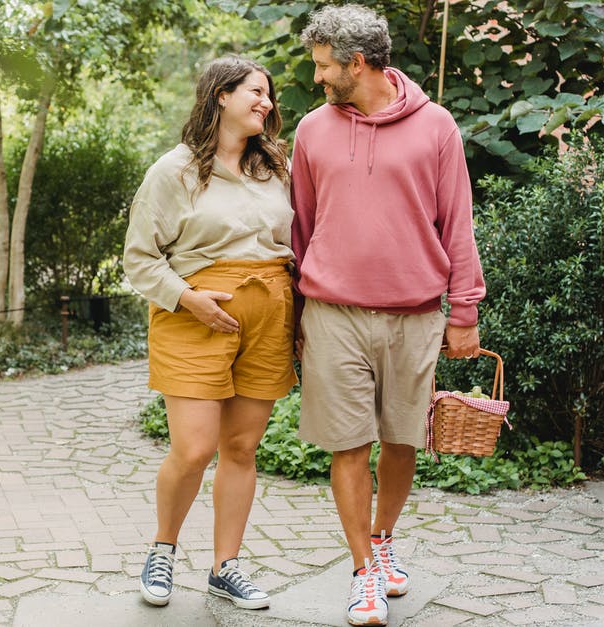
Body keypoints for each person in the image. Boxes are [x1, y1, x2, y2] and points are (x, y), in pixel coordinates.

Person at [290, 5, 486, 625]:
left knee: (402, 441)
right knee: (348, 445)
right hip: (333, 313)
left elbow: (458, 224)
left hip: (415, 314)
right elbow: (301, 226)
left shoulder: (437, 126)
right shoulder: (311, 130)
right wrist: (294, 311)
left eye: (325, 66)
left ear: (358, 62)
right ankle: (363, 573)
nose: (319, 78)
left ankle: (381, 539)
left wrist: (465, 310)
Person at [123, 55, 296, 611]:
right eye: (255, 91)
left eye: (268, 95)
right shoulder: (172, 172)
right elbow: (139, 259)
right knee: (195, 448)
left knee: (242, 447)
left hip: (268, 312)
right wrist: (188, 298)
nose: (266, 103)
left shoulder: (277, 169)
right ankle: (162, 550)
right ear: (220, 95)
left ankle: (226, 567)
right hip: (193, 315)